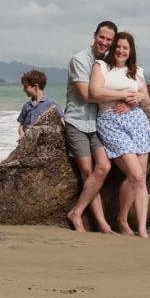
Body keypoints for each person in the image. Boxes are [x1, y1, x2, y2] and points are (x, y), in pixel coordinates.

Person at [89, 31, 150, 237]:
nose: (121, 50)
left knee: (140, 178)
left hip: (137, 122)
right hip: (110, 121)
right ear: (113, 48)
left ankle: (142, 228)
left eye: (125, 48)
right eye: (118, 46)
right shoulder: (101, 66)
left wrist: (136, 98)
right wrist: (124, 95)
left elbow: (146, 101)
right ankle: (121, 218)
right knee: (135, 173)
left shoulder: (136, 71)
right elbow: (95, 92)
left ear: (131, 51)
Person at [64, 20, 119, 233]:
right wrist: (121, 95)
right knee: (87, 171)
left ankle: (78, 212)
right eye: (101, 37)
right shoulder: (79, 60)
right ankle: (99, 223)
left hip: (96, 124)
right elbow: (88, 95)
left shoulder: (107, 63)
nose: (104, 42)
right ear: (94, 35)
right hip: (76, 122)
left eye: (108, 40)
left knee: (103, 167)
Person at [17, 70, 61, 139]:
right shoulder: (26, 106)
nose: (24, 90)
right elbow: (21, 125)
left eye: (25, 87)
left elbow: (61, 122)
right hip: (27, 142)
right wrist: (21, 134)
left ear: (35, 86)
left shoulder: (52, 104)